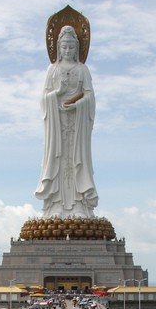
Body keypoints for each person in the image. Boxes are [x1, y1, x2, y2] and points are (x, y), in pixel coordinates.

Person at [35, 23, 98, 218]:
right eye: (64, 47)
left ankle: (79, 204)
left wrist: (79, 105)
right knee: (58, 160)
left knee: (77, 160)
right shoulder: (52, 70)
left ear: (77, 48)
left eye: (71, 47)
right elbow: (44, 98)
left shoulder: (83, 70)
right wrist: (58, 93)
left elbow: (90, 96)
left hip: (77, 125)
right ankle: (55, 206)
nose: (68, 50)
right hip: (57, 124)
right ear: (58, 48)